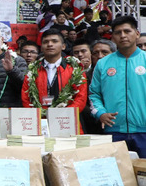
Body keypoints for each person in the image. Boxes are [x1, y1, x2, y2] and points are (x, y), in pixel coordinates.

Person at [89, 16, 146, 155]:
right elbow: (94, 94)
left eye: (127, 31)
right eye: (118, 32)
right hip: (114, 131)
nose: (123, 35)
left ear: (137, 34)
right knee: (118, 168)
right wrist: (100, 113)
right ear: (113, 37)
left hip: (144, 131)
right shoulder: (103, 64)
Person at [21, 28, 88, 115]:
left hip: (67, 119)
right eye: (46, 42)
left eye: (54, 41)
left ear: (63, 46)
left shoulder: (75, 68)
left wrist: (63, 116)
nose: (50, 44)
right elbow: (26, 97)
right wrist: (38, 116)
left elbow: (80, 98)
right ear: (41, 47)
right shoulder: (32, 70)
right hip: (40, 119)